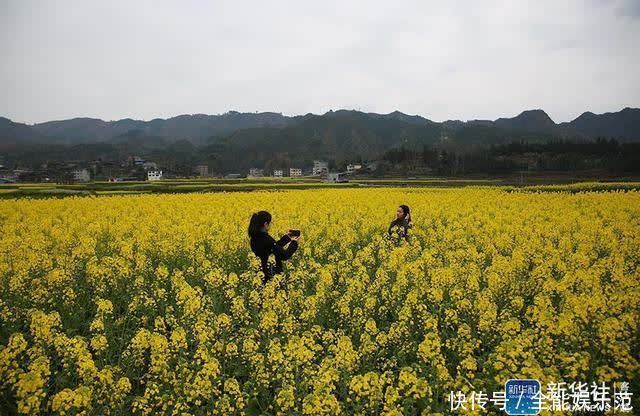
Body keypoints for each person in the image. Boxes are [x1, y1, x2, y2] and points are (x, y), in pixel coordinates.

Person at [248, 210, 300, 284]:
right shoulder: (266, 238)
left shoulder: (254, 239)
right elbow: (284, 255)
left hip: (260, 277)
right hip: (273, 277)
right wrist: (294, 243)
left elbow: (272, 248)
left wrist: (287, 238)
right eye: (270, 223)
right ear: (265, 224)